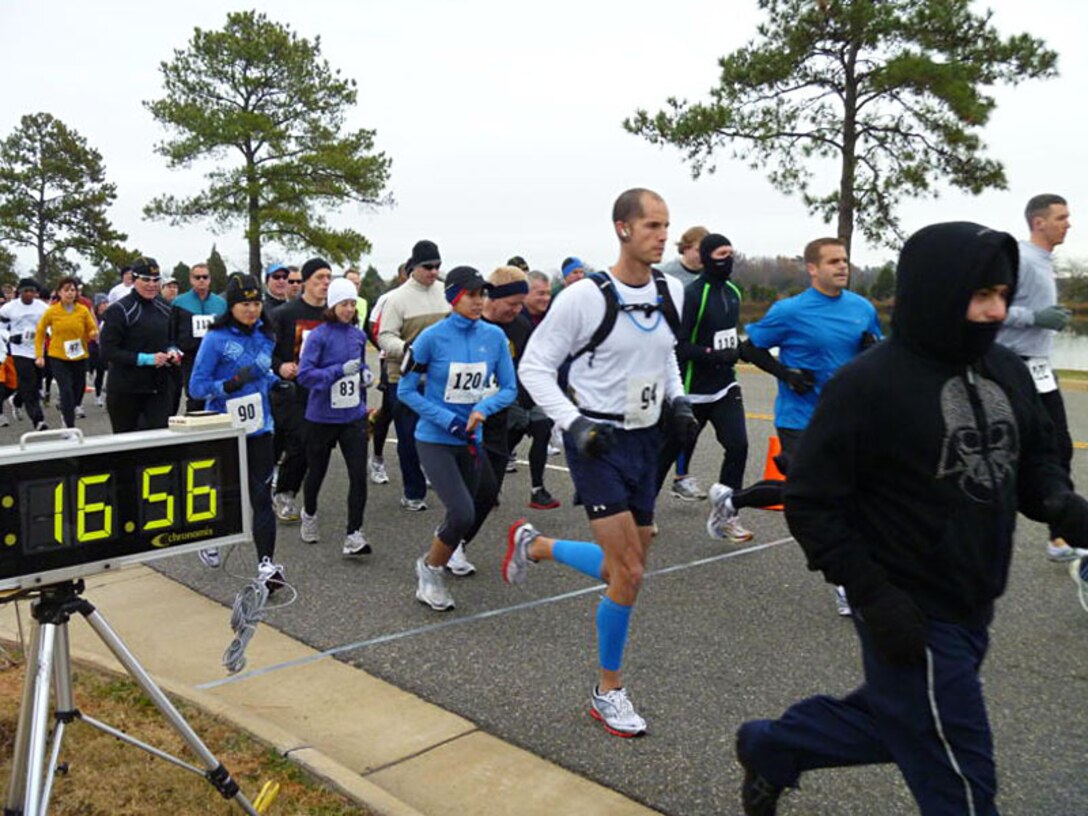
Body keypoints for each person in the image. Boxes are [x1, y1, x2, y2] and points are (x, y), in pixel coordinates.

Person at [733, 221, 1088, 816]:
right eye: (979, 296)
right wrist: (872, 593)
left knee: (903, 721)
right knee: (961, 775)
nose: (994, 310)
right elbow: (812, 502)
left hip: (974, 598)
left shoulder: (1006, 370)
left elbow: (1035, 462)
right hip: (910, 609)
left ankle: (774, 746)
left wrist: (1060, 504)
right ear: (938, 292)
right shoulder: (868, 385)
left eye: (1002, 295)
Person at [506, 188, 695, 737]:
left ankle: (535, 545)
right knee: (631, 573)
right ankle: (607, 690)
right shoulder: (584, 298)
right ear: (622, 229)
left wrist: (677, 400)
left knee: (624, 568)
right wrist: (574, 424)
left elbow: (667, 359)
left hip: (646, 440)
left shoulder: (671, 292)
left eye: (667, 226)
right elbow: (534, 369)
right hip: (596, 443)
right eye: (653, 226)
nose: (662, 236)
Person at [742, 237, 882, 615]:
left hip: (848, 416)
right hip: (800, 418)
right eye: (834, 261)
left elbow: (879, 353)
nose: (843, 267)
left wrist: (872, 352)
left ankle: (730, 499)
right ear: (812, 268)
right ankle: (844, 582)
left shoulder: (862, 308)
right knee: (824, 500)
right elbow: (749, 347)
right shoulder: (789, 311)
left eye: (845, 261)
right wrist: (784, 372)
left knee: (849, 496)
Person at [398, 266, 516, 610]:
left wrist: (484, 408)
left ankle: (442, 551)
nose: (479, 301)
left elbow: (509, 388)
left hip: (471, 440)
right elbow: (406, 391)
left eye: (483, 294)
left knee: (476, 503)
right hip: (435, 439)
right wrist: (446, 419)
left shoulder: (494, 338)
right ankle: (430, 571)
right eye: (471, 294)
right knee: (462, 512)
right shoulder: (430, 338)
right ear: (453, 297)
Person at [996, 194, 1083, 563]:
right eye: (1061, 217)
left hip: (1041, 368)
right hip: (1011, 368)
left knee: (1058, 449)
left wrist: (1050, 317)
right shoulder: (1020, 257)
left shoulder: (1045, 261)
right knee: (1003, 454)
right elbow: (992, 308)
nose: (1069, 223)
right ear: (1038, 222)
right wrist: (1036, 319)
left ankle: (1060, 538)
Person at [656, 234, 751, 539]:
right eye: (722, 254)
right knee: (668, 451)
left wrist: (736, 350)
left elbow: (728, 337)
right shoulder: (693, 294)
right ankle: (641, 509)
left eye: (732, 254)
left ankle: (725, 516)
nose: (729, 260)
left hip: (725, 387)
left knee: (739, 446)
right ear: (708, 258)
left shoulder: (734, 291)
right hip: (691, 389)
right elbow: (678, 346)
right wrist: (711, 354)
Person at [188, 274, 281, 584]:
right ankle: (210, 538)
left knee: (261, 496)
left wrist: (279, 384)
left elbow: (263, 374)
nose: (252, 310)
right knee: (225, 493)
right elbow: (197, 387)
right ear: (231, 305)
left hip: (260, 427)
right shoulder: (215, 339)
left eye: (256, 303)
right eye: (245, 304)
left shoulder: (266, 335)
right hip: (224, 428)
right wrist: (228, 385)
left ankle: (266, 565)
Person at [296, 278, 374, 556]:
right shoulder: (318, 336)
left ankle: (354, 533)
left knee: (359, 476)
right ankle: (310, 513)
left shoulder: (358, 335)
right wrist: (338, 371)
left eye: (353, 304)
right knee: (317, 471)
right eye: (344, 304)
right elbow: (305, 375)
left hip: (352, 415)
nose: (349, 309)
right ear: (332, 305)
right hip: (321, 417)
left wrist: (365, 374)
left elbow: (360, 364)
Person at [377, 240, 451, 511]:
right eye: (428, 267)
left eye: (437, 266)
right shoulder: (396, 298)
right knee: (409, 438)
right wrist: (408, 350)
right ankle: (413, 491)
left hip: (440, 379)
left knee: (443, 434)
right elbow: (384, 336)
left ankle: (445, 484)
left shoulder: (446, 292)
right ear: (413, 267)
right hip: (405, 379)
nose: (433, 272)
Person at [270, 257, 332, 522]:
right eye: (319, 278)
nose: (325, 283)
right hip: (291, 391)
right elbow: (264, 353)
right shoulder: (284, 314)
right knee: (299, 441)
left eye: (329, 278)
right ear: (306, 281)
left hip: (324, 390)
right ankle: (284, 492)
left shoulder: (333, 314)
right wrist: (280, 366)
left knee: (316, 446)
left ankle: (296, 491)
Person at [99, 257, 182, 433]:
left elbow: (172, 338)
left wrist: (173, 351)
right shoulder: (119, 310)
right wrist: (146, 359)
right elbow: (107, 351)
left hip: (159, 389)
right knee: (129, 450)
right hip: (126, 390)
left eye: (155, 280)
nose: (151, 285)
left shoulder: (165, 307)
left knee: (158, 446)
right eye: (145, 279)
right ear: (133, 279)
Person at [365, 263, 409, 485]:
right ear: (401, 276)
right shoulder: (389, 298)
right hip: (392, 363)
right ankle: (378, 459)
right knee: (391, 411)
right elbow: (372, 325)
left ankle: (420, 465)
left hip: (420, 366)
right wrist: (385, 349)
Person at [34, 276, 97, 429]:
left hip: (79, 355)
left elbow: (91, 327)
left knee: (78, 388)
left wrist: (94, 333)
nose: (70, 293)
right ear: (59, 293)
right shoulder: (52, 311)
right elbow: (40, 332)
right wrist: (39, 355)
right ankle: (69, 424)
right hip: (58, 356)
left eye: (73, 290)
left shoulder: (82, 310)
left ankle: (69, 409)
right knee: (66, 390)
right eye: (66, 290)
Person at [173, 263, 227, 413]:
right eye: (198, 277)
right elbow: (172, 331)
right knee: (195, 396)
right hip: (190, 357)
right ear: (191, 279)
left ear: (210, 279)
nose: (201, 280)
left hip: (216, 356)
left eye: (205, 277)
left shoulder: (221, 303)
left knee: (216, 393)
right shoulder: (179, 302)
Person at [0, 279, 49, 430]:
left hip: (38, 350)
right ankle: (38, 420)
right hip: (19, 350)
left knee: (37, 381)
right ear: (19, 292)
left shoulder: (42, 307)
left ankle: (17, 401)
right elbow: (1, 326)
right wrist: (10, 337)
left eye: (32, 291)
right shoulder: (9, 308)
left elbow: (51, 325)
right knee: (29, 385)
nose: (29, 294)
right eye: (26, 291)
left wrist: (48, 333)